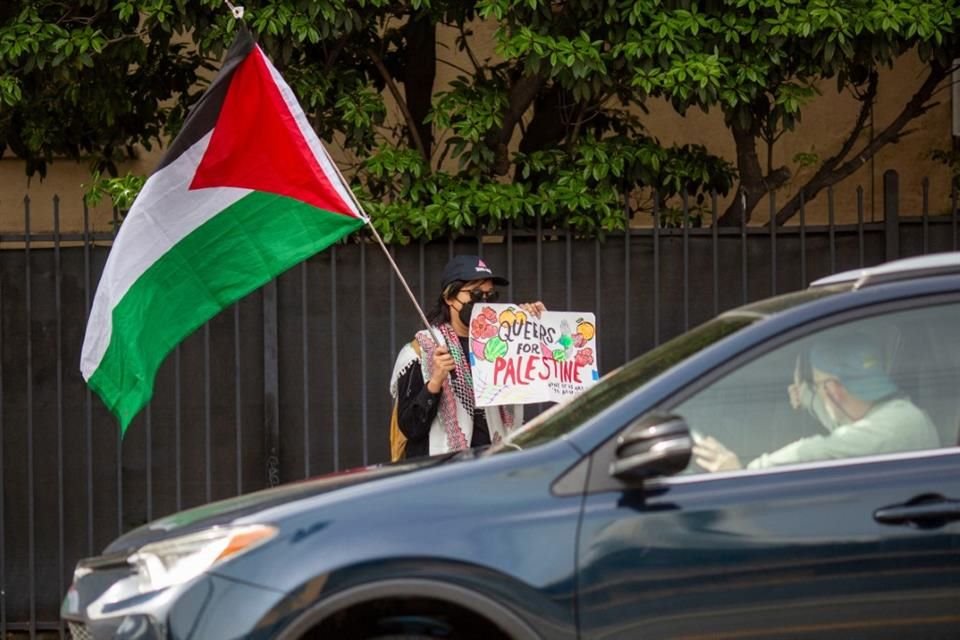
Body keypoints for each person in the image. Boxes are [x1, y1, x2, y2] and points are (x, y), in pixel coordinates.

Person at [693, 333, 940, 472]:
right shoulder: (894, 414)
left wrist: (743, 472)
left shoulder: (892, 429)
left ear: (833, 389)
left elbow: (816, 449)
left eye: (821, 384)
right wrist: (808, 396)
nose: (820, 392)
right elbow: (842, 423)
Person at [389, 255, 546, 459]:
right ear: (449, 297)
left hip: (492, 468)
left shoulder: (503, 343)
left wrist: (533, 324)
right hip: (441, 474)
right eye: (476, 294)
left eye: (491, 295)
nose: (484, 302)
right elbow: (410, 428)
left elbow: (539, 373)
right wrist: (435, 382)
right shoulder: (422, 351)